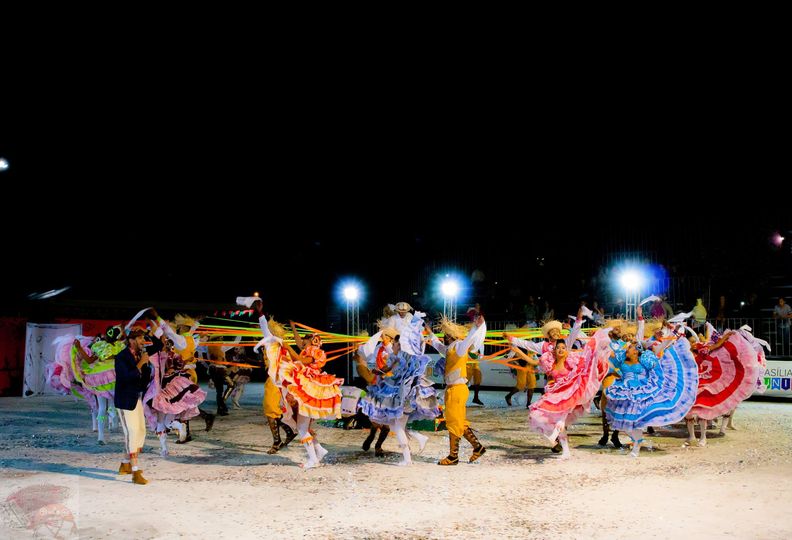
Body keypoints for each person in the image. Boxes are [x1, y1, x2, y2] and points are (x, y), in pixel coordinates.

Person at [427, 315, 487, 466]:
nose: (444, 337)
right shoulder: (449, 349)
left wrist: (476, 327)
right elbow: (436, 344)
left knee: (453, 422)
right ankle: (477, 447)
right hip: (452, 389)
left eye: (446, 335)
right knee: (458, 421)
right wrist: (428, 331)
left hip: (457, 389)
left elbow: (468, 340)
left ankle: (453, 456)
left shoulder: (459, 347)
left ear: (451, 336)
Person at [114, 323, 162, 485]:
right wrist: (141, 363)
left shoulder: (142, 353)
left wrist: (149, 333)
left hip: (137, 398)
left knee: (140, 431)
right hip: (125, 400)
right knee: (131, 433)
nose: (143, 341)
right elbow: (126, 377)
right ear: (131, 340)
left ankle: (124, 464)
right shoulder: (121, 357)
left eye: (143, 338)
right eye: (140, 338)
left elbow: (159, 345)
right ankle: (135, 472)